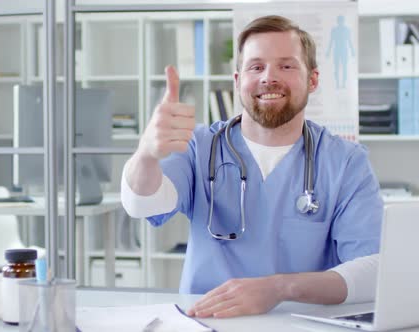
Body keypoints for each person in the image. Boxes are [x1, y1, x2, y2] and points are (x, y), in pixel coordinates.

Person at [121, 15, 382, 318]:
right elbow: (142, 203)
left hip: (302, 325)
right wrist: (146, 155)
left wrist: (279, 288)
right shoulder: (200, 146)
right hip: (209, 322)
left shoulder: (346, 162)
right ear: (237, 81)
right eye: (256, 67)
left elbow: (372, 270)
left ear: (313, 79)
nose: (268, 77)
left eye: (286, 66)